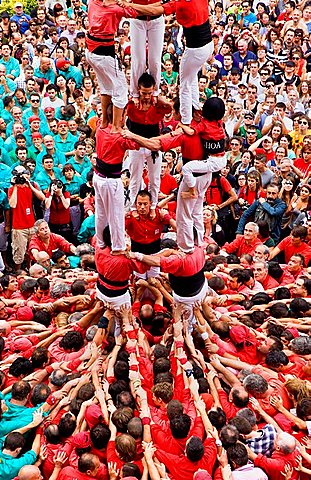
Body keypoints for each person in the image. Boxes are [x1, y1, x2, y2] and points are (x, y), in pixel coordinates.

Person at [127, 73, 172, 216]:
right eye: (143, 93)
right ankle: (133, 207)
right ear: (138, 90)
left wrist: (158, 97)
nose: (146, 96)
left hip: (153, 146)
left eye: (149, 93)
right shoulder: (132, 104)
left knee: (154, 178)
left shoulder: (157, 104)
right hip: (136, 146)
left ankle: (153, 205)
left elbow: (170, 108)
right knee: (135, 177)